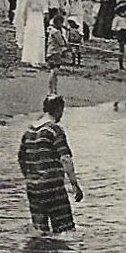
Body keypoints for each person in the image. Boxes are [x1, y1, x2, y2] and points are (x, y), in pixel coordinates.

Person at [17, 94, 83, 236]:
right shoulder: (55, 130)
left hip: (33, 188)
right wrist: (74, 184)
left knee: (40, 231)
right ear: (59, 109)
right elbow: (65, 159)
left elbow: (21, 159)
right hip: (53, 187)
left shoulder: (28, 132)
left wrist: (31, 178)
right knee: (65, 230)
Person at [20, 0, 49, 67]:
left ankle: (38, 59)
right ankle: (29, 58)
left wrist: (45, 16)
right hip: (31, 18)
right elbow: (24, 9)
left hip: (39, 18)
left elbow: (45, 9)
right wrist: (24, 19)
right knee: (31, 36)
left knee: (39, 37)